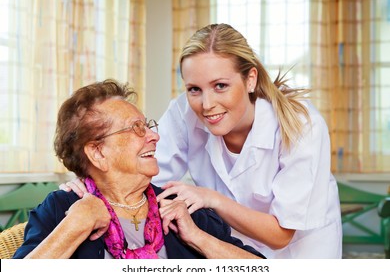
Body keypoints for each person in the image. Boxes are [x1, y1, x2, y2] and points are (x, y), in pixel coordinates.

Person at [61, 23, 342, 259]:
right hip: (230, 248)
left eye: (221, 86)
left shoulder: (302, 125)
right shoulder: (184, 112)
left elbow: (281, 235)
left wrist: (211, 198)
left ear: (250, 79)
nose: (207, 105)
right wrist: (89, 181)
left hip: (300, 253)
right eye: (194, 89)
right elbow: (140, 171)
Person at [13, 79, 264, 259]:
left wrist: (198, 237)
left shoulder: (178, 206)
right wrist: (75, 225)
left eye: (148, 125)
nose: (154, 136)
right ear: (98, 152)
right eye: (135, 128)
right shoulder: (62, 209)